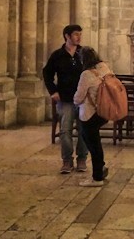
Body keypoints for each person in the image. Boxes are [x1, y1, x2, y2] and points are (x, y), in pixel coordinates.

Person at [43, 24, 88, 174]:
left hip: (82, 99)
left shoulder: (83, 53)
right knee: (65, 130)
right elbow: (47, 73)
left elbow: (93, 71)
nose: (79, 37)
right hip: (66, 98)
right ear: (67, 36)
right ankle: (67, 161)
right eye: (76, 34)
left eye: (80, 34)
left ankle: (82, 159)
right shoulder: (58, 55)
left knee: (83, 130)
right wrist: (53, 91)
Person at [73, 46, 111, 187]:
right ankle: (101, 168)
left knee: (93, 145)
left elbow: (79, 96)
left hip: (89, 114)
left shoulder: (86, 74)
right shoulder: (104, 68)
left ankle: (97, 178)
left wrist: (75, 101)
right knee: (95, 142)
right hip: (103, 111)